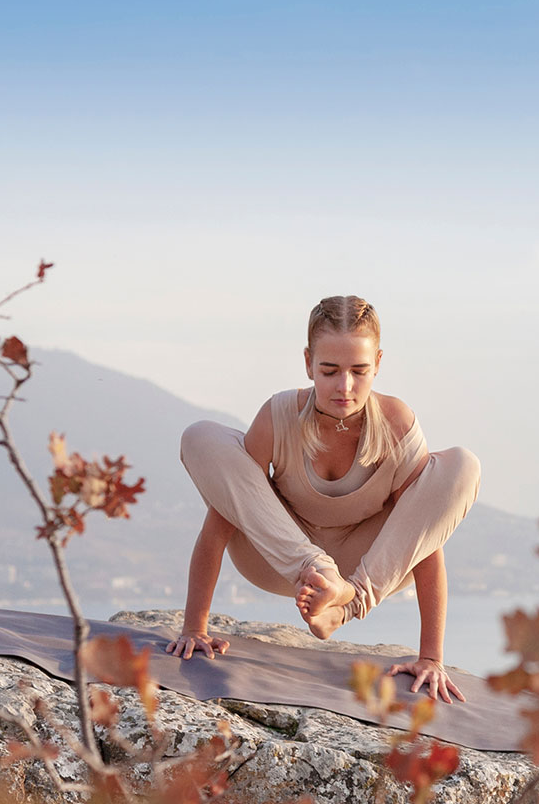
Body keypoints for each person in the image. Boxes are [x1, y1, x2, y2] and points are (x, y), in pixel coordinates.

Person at [165, 295, 479, 703]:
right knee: (200, 436)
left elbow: (423, 538)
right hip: (282, 564)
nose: (344, 387)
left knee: (461, 466)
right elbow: (226, 514)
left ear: (378, 364)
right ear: (308, 362)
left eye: (359, 371)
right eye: (329, 371)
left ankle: (344, 603)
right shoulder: (278, 416)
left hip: (368, 572)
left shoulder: (397, 423)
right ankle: (319, 571)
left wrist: (431, 657)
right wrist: (194, 627)